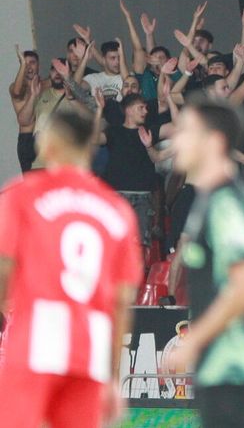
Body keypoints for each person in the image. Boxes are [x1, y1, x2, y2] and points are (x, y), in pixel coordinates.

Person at [0, 103, 142, 428]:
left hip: (35, 343)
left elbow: (4, 268)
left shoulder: (23, 195)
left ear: (49, 144)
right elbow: (121, 304)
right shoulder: (117, 210)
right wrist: (112, 379)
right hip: (89, 352)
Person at [160, 99, 244, 428]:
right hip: (218, 371)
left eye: (186, 131)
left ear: (214, 142)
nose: (176, 140)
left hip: (232, 372)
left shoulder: (227, 203)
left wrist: (193, 341)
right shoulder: (208, 200)